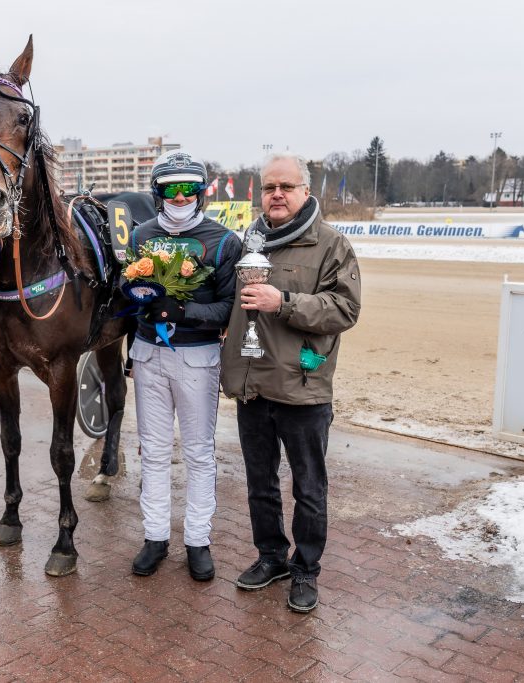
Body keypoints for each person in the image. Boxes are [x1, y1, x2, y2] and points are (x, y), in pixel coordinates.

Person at [220, 153, 361, 612]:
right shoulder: (248, 241)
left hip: (303, 387)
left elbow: (344, 310)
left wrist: (284, 301)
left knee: (308, 487)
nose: (276, 195)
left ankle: (305, 570)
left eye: (286, 186)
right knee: (259, 482)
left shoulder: (332, 245)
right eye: (268, 187)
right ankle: (271, 557)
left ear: (305, 191)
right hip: (252, 386)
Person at [127, 150, 242, 581]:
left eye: (188, 189)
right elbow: (130, 299)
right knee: (153, 452)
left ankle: (198, 540)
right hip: (148, 356)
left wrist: (182, 309)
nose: (179, 197)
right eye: (171, 189)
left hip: (198, 360)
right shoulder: (140, 236)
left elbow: (232, 308)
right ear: (157, 194)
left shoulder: (225, 241)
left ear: (201, 192)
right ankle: (155, 537)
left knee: (198, 453)